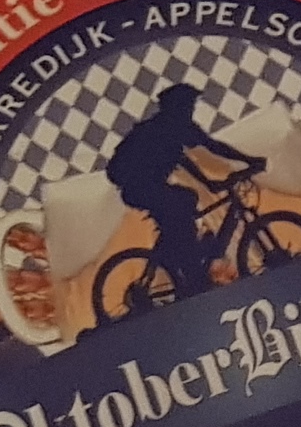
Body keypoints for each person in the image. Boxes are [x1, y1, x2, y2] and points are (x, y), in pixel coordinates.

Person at [99, 83, 265, 300]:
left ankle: (181, 258)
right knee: (183, 207)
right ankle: (191, 270)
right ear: (178, 105)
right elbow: (213, 146)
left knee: (185, 203)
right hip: (142, 189)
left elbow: (182, 160)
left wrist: (209, 183)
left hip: (140, 189)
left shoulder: (165, 127)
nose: (191, 109)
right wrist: (250, 160)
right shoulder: (172, 125)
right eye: (189, 104)